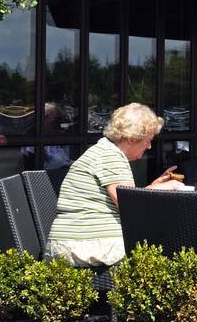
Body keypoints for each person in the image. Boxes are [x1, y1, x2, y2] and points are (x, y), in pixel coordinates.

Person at [47, 103, 180, 267]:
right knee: (170, 250)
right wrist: (164, 188)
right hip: (85, 245)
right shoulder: (111, 156)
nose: (149, 146)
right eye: (148, 141)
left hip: (79, 242)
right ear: (131, 139)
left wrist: (153, 187)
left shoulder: (105, 150)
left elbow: (126, 198)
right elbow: (130, 205)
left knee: (161, 248)